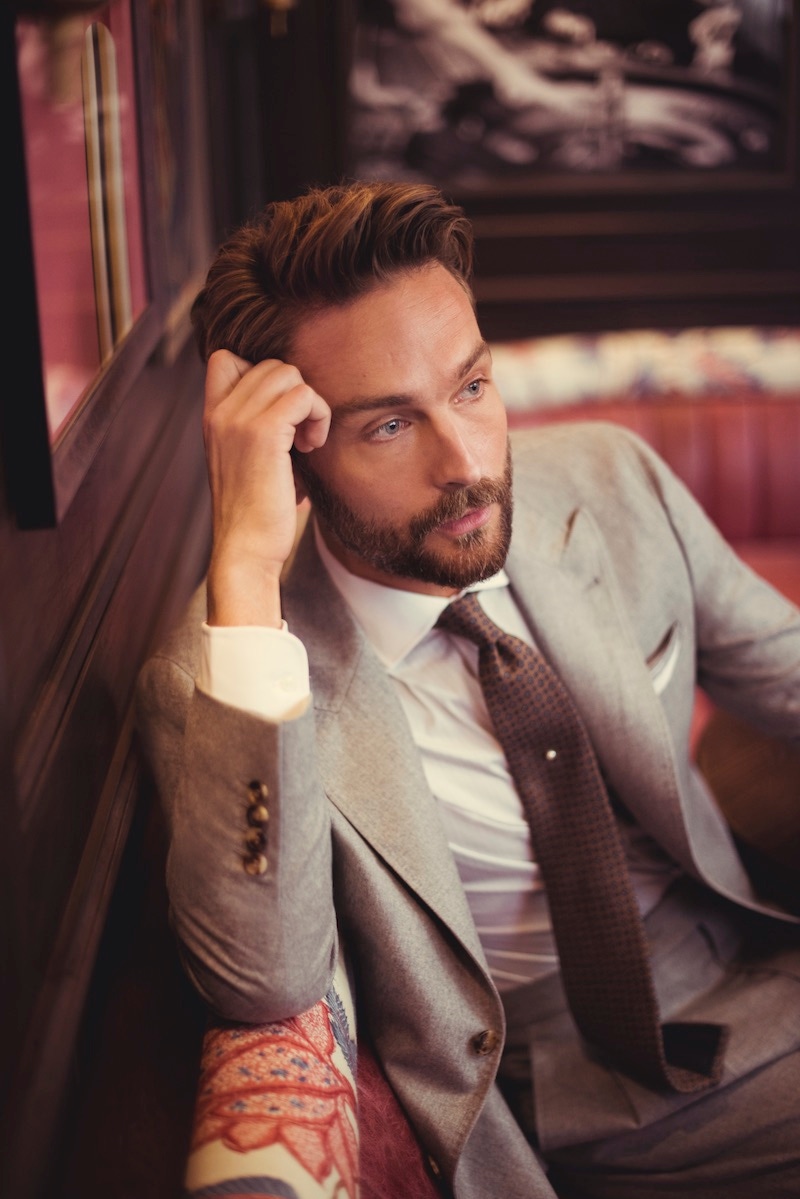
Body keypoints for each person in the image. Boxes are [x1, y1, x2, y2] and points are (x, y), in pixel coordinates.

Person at [136, 179, 800, 1199]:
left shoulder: (610, 480)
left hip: (748, 965)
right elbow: (263, 972)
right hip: (546, 1083)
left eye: (471, 387)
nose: (466, 463)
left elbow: (784, 672)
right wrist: (243, 566)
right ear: (295, 452)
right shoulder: (231, 666)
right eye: (389, 426)